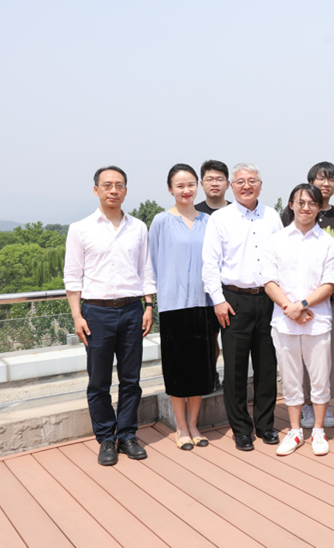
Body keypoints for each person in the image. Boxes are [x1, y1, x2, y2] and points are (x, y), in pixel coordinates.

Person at [64, 166, 155, 466]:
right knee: (99, 381)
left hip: (132, 310)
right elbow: (72, 277)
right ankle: (105, 437)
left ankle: (127, 435)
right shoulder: (80, 229)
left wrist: (149, 306)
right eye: (107, 185)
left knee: (131, 379)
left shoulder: (138, 227)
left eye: (119, 185)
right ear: (96, 190)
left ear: (126, 190)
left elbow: (146, 269)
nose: (113, 190)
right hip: (96, 312)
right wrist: (77, 316)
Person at [202, 163, 283, 451]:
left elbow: (282, 257)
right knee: (235, 369)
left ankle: (265, 425)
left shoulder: (272, 216)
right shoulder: (220, 218)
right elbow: (210, 263)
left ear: (260, 184)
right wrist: (218, 300)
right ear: (231, 186)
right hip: (233, 301)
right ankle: (241, 429)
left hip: (268, 298)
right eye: (240, 181)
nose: (246, 186)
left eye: (252, 181)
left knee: (267, 366)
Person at [262, 184, 334, 456]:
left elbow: (329, 284)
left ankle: (318, 430)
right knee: (291, 378)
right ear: (291, 205)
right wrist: (291, 309)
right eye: (301, 202)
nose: (306, 207)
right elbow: (269, 281)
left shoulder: (328, 243)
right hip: (284, 322)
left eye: (312, 203)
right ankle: (295, 431)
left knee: (320, 378)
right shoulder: (276, 240)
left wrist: (303, 305)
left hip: (317, 322)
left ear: (319, 208)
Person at [149, 164, 216, 451]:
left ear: (197, 186)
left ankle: (194, 424)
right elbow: (151, 263)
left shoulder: (208, 221)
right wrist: (151, 302)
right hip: (173, 305)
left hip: (204, 302)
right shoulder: (161, 221)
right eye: (180, 185)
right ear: (170, 189)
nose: (186, 190)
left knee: (200, 367)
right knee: (177, 368)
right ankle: (180, 426)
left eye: (190, 184)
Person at [294, 162, 334, 430]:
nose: (325, 184)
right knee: (300, 356)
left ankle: (323, 404)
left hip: (329, 297)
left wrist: (322, 286)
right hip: (297, 299)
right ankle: (306, 404)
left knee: (328, 355)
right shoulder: (296, 210)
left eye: (331, 180)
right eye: (320, 178)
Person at [196, 159, 230, 391]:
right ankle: (210, 375)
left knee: (231, 338)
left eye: (219, 179)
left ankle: (232, 379)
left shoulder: (237, 211)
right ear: (202, 184)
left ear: (228, 183)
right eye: (210, 179)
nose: (214, 183)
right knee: (208, 337)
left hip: (230, 289)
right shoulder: (194, 212)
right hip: (202, 288)